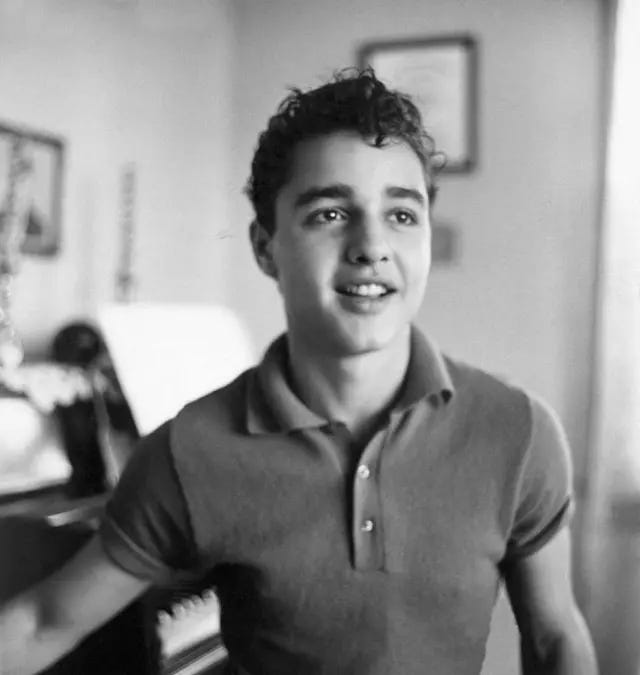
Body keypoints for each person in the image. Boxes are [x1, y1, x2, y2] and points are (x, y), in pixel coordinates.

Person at [0, 69, 597, 675]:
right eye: (330, 214)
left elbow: (556, 639)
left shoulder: (518, 431)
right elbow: (43, 622)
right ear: (266, 247)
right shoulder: (190, 452)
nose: (371, 246)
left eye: (401, 215)